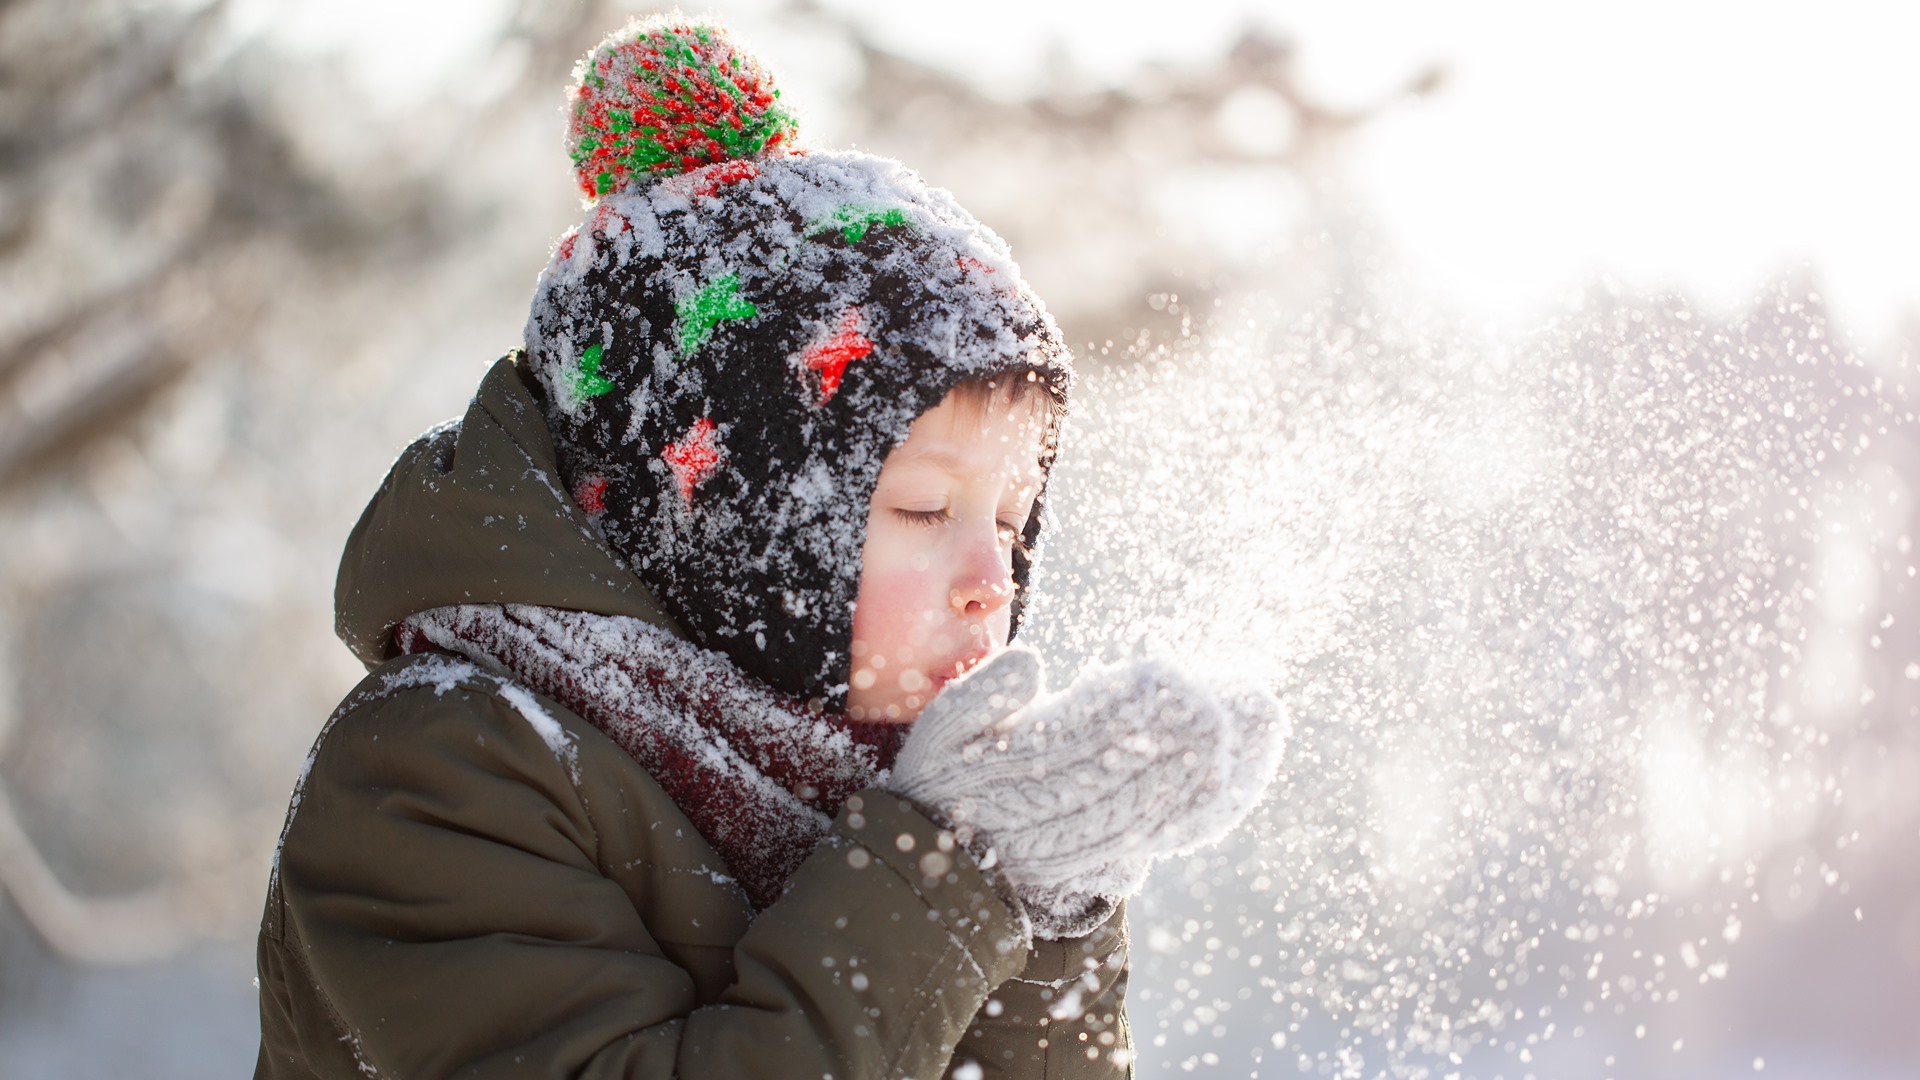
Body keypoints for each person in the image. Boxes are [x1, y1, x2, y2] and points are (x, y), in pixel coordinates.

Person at [254, 17, 1283, 1079]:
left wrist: (1040, 898)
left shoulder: (878, 780)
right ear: (727, 519)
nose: (992, 583)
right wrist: (939, 872)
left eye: (1013, 522)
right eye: (926, 510)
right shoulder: (439, 772)